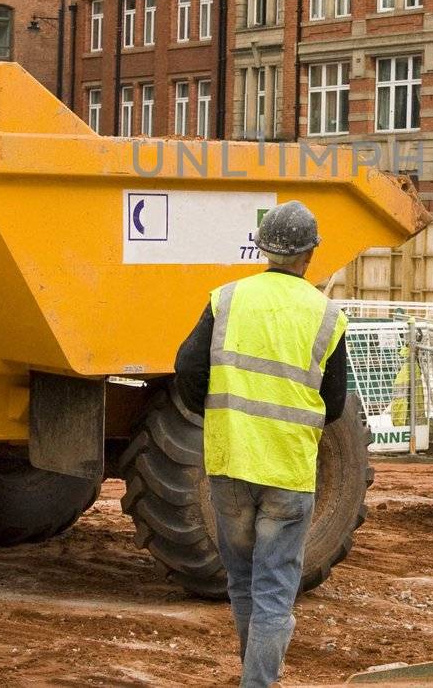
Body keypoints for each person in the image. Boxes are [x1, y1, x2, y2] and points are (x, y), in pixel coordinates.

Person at [172, 200, 349, 688]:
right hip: (288, 472)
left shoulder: (227, 299)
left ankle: (254, 674)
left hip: (231, 463)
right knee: (274, 588)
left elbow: (187, 367)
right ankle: (259, 682)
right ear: (310, 255)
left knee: (244, 580)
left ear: (262, 248)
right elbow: (334, 405)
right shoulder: (327, 316)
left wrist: (216, 414)